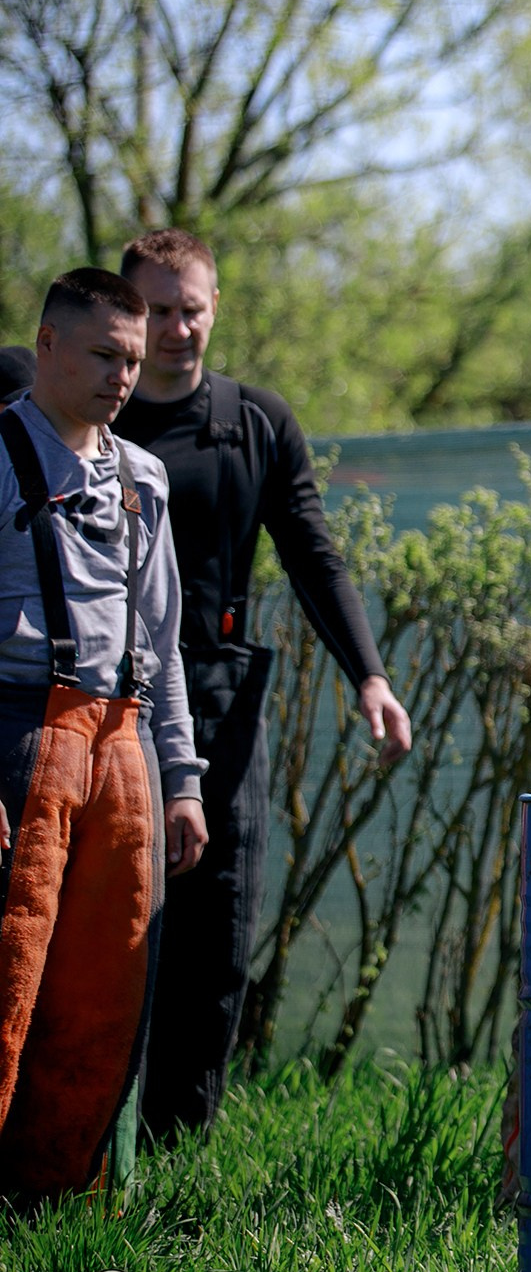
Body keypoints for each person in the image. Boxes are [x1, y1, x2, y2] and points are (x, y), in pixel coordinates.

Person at [112, 228, 413, 1141]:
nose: (175, 329)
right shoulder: (92, 415)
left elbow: (313, 556)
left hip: (216, 704)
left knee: (214, 934)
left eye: (190, 308)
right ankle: (83, 1142)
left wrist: (369, 674)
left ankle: (180, 1141)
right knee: (110, 928)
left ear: (215, 309)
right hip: (98, 702)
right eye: (156, 310)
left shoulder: (254, 423)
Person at [0, 269, 206, 1199]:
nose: (126, 375)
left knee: (106, 984)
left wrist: (183, 779)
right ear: (46, 344)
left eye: (134, 359)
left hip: (121, 743)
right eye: (106, 354)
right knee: (8, 978)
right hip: (18, 733)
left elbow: (162, 644)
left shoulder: (143, 477)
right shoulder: (1, 453)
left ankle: (55, 1201)